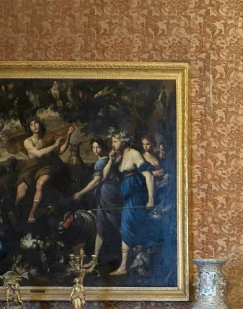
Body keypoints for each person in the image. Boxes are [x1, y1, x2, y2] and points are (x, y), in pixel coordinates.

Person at [72, 137, 125, 272]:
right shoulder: (104, 160)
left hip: (109, 196)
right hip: (105, 196)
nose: (95, 150)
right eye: (93, 148)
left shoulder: (102, 162)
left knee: (117, 226)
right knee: (100, 228)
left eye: (98, 147)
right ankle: (95, 261)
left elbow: (96, 182)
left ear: (104, 148)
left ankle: (128, 259)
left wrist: (80, 193)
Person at [111, 135, 160, 277]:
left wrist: (150, 199)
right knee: (129, 229)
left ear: (123, 141)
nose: (113, 144)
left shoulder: (134, 153)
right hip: (127, 200)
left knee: (127, 229)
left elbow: (148, 176)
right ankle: (129, 264)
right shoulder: (120, 157)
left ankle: (124, 266)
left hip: (136, 198)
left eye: (115, 141)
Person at [14, 117, 63, 225]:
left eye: (36, 123)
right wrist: (55, 145)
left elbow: (60, 150)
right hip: (30, 167)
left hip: (44, 167)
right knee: (21, 193)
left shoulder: (46, 140)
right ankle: (15, 215)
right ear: (29, 128)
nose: (34, 126)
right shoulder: (28, 141)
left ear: (40, 124)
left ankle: (33, 212)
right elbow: (38, 153)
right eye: (31, 124)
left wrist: (67, 136)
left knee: (39, 185)